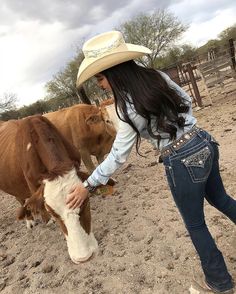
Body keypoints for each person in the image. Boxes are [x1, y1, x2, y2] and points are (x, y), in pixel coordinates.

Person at [66, 31, 236, 293]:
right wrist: (180, 127)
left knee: (195, 224)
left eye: (100, 77)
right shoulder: (156, 77)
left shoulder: (127, 107)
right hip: (204, 140)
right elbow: (187, 101)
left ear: (113, 73)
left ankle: (219, 281)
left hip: (180, 158)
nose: (99, 84)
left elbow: (118, 156)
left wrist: (87, 185)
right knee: (221, 198)